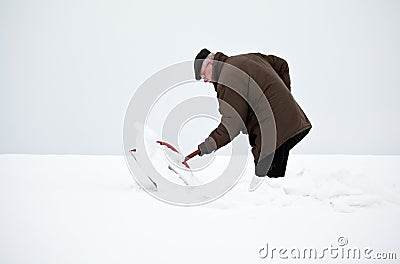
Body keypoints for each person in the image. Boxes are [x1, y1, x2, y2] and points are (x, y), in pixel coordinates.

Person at [193, 48, 312, 192]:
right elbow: (281, 65)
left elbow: (232, 123)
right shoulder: (245, 58)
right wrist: (283, 99)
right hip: (288, 120)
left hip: (272, 131)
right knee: (274, 186)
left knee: (266, 186)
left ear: (210, 62)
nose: (205, 80)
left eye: (203, 74)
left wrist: (208, 145)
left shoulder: (228, 77)